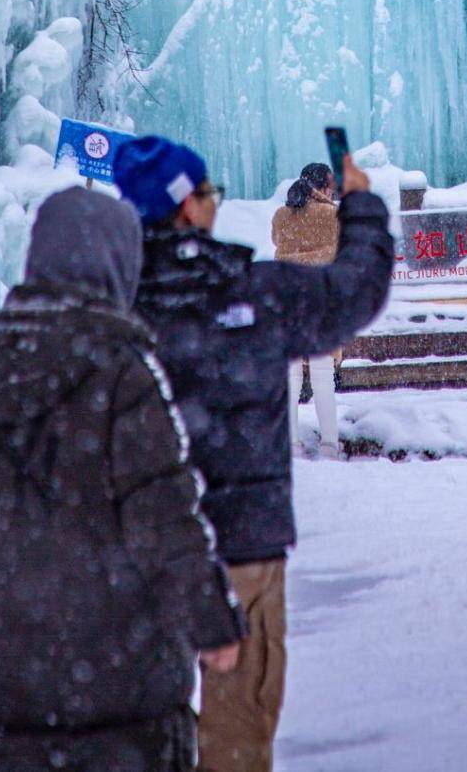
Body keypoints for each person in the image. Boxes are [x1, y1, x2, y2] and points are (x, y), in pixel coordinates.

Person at [0, 187, 244, 772]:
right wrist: (212, 621)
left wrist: (11, 606)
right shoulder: (122, 373)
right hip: (129, 695)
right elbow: (164, 514)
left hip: (13, 695)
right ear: (115, 264)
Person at [114, 134, 393, 772]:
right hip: (243, 549)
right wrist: (364, 210)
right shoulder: (254, 294)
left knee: (135, 732)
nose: (214, 202)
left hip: (137, 558)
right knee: (238, 730)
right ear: (187, 208)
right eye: (207, 192)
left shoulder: (113, 306)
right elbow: (356, 292)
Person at [272, 165, 341, 453]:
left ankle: (292, 444)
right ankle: (328, 445)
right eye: (332, 184)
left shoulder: (281, 215)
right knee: (323, 376)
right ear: (323, 186)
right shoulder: (333, 216)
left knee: (290, 376)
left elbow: (277, 242)